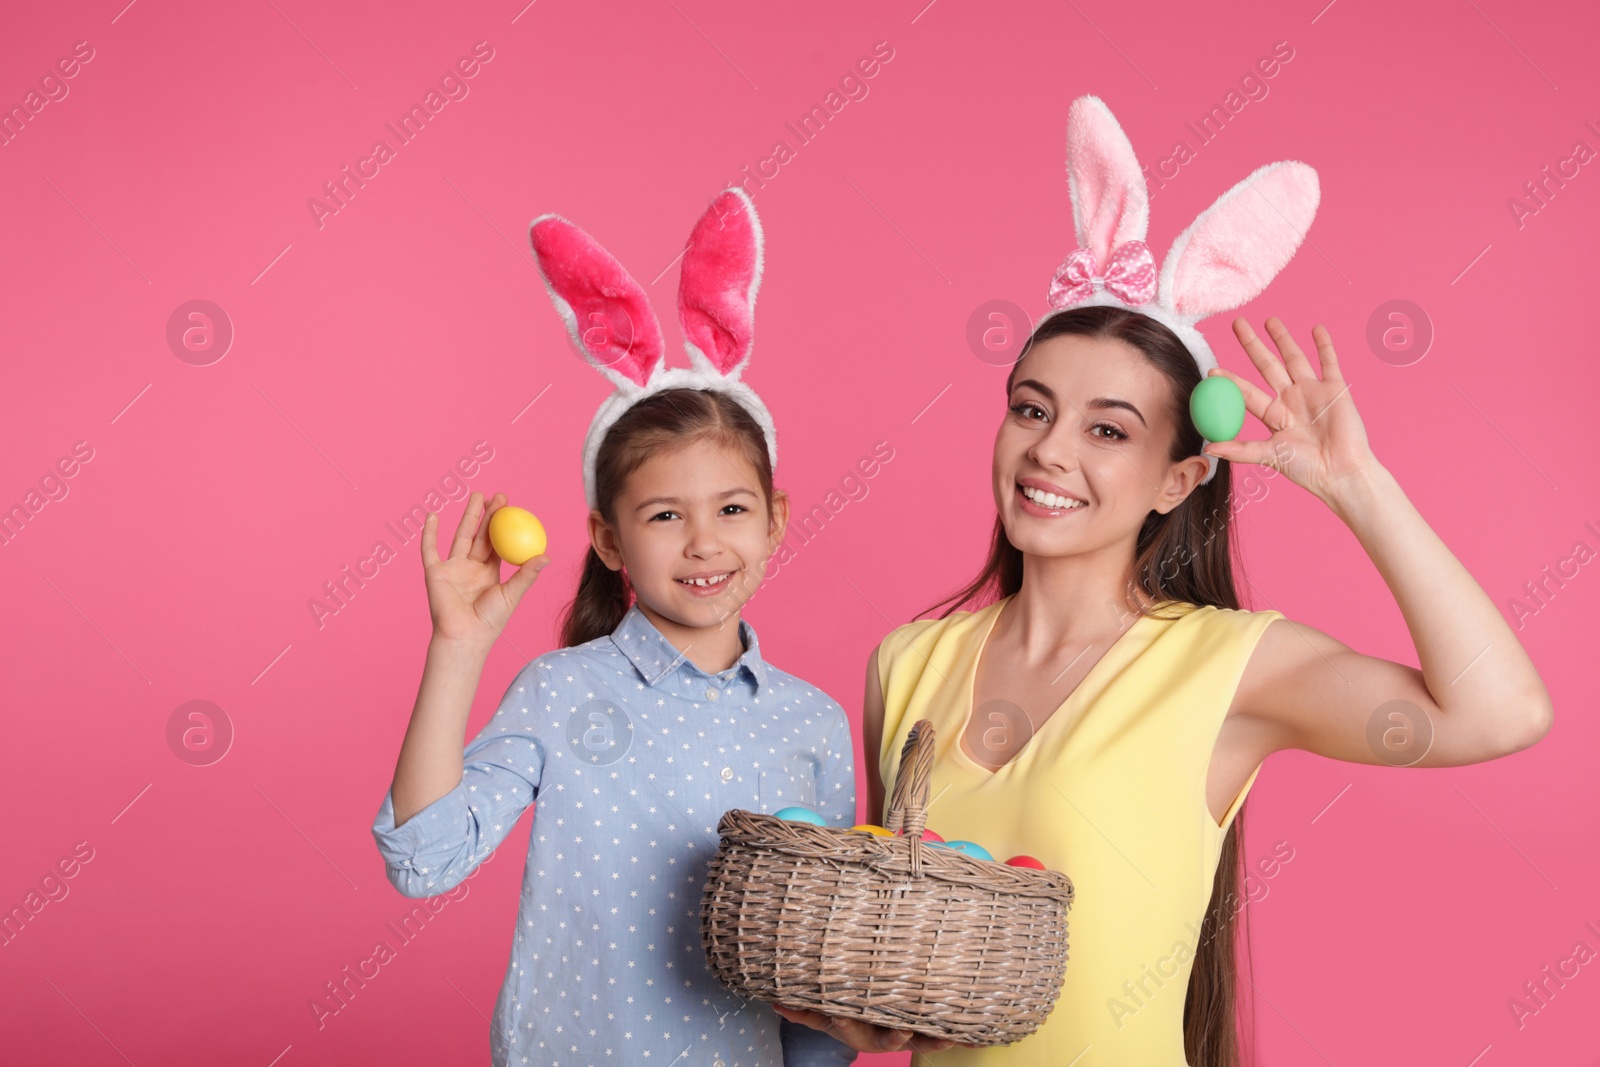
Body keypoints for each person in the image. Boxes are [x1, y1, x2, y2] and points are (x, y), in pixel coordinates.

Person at [777, 96, 1552, 1064]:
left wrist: (1360, 486)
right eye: (1030, 409)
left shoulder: (1227, 667)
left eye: (1107, 429)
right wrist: (860, 1015)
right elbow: (894, 950)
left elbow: (1501, 710)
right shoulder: (908, 662)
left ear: (1178, 479)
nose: (1049, 452)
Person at [371, 188, 859, 1066]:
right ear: (608, 539)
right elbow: (424, 858)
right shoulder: (560, 691)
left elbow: (815, 976)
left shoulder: (812, 722)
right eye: (665, 515)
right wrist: (458, 648)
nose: (705, 541)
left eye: (734, 508)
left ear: (776, 519)